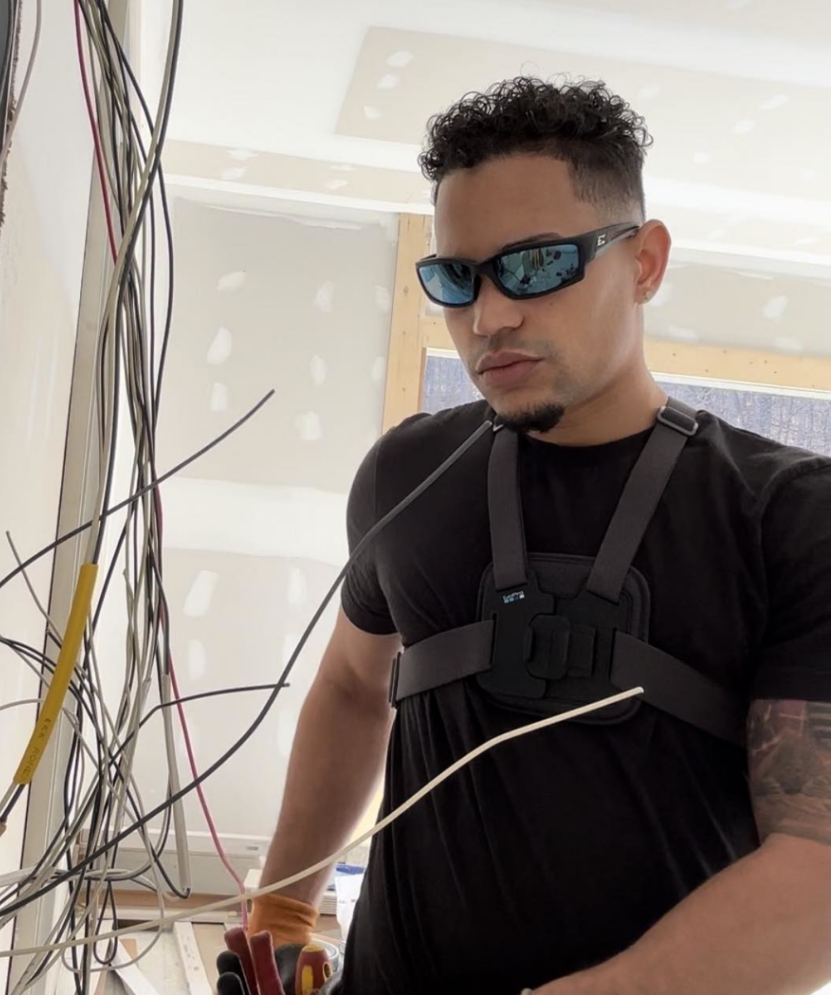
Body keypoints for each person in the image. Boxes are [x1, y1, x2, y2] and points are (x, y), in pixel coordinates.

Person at [246, 78, 831, 994]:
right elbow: (354, 690)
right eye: (456, 278)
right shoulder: (407, 477)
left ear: (644, 263)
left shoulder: (790, 515)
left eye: (533, 267)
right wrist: (281, 908)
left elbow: (818, 869)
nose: (489, 317)